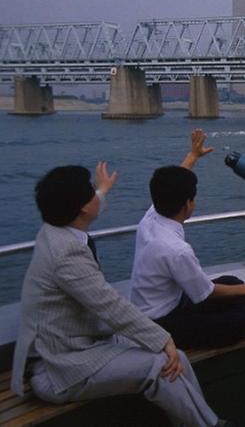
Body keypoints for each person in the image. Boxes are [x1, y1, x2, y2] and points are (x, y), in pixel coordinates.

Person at [11, 163, 222, 426]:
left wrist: (101, 189)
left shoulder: (57, 229)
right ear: (83, 209)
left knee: (175, 358)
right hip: (59, 369)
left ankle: (205, 422)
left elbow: (86, 204)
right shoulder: (66, 254)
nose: (96, 196)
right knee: (160, 368)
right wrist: (162, 339)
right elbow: (110, 306)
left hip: (79, 343)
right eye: (91, 193)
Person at [130, 129, 245, 349]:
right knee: (244, 313)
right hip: (163, 324)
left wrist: (193, 156)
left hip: (159, 307)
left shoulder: (151, 219)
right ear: (188, 205)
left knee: (230, 281)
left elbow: (174, 184)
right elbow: (206, 293)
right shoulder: (176, 249)